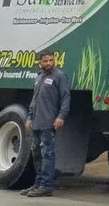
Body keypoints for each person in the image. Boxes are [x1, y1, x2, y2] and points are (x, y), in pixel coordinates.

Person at [23, 49, 70, 198]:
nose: (49, 63)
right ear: (40, 63)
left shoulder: (59, 76)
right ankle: (38, 183)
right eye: (45, 61)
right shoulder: (39, 77)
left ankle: (46, 186)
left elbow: (66, 97)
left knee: (47, 154)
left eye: (51, 60)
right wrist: (29, 117)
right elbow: (34, 100)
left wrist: (61, 116)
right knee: (36, 153)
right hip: (36, 122)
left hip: (49, 123)